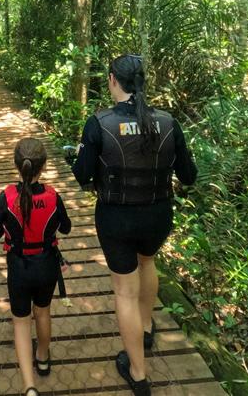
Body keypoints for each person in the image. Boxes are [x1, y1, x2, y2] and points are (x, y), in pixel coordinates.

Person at [71, 54, 197, 396]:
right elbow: (189, 176)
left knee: (125, 290)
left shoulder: (99, 123)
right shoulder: (169, 122)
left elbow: (82, 175)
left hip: (117, 219)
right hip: (158, 215)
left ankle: (138, 374)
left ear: (113, 79)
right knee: (148, 261)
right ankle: (145, 327)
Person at [0, 137, 72, 396]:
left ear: (17, 166)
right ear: (43, 167)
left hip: (19, 268)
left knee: (22, 323)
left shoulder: (6, 198)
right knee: (43, 312)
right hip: (46, 265)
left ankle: (29, 387)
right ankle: (43, 357)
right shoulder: (53, 196)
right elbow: (66, 227)